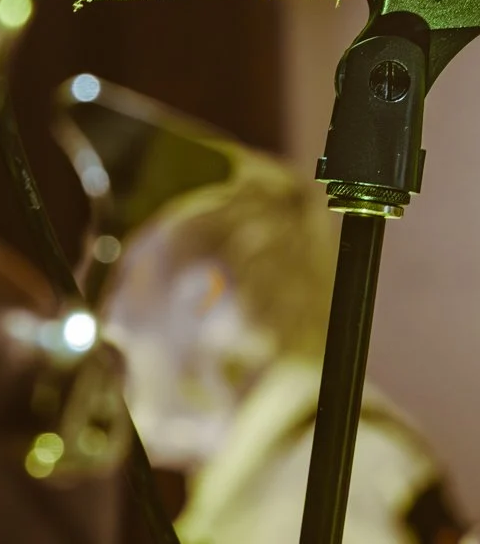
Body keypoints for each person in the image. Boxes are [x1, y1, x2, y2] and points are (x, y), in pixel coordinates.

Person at [88, 91, 461, 544]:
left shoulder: (330, 478)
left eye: (126, 286)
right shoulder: (289, 473)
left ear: (202, 296)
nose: (105, 325)